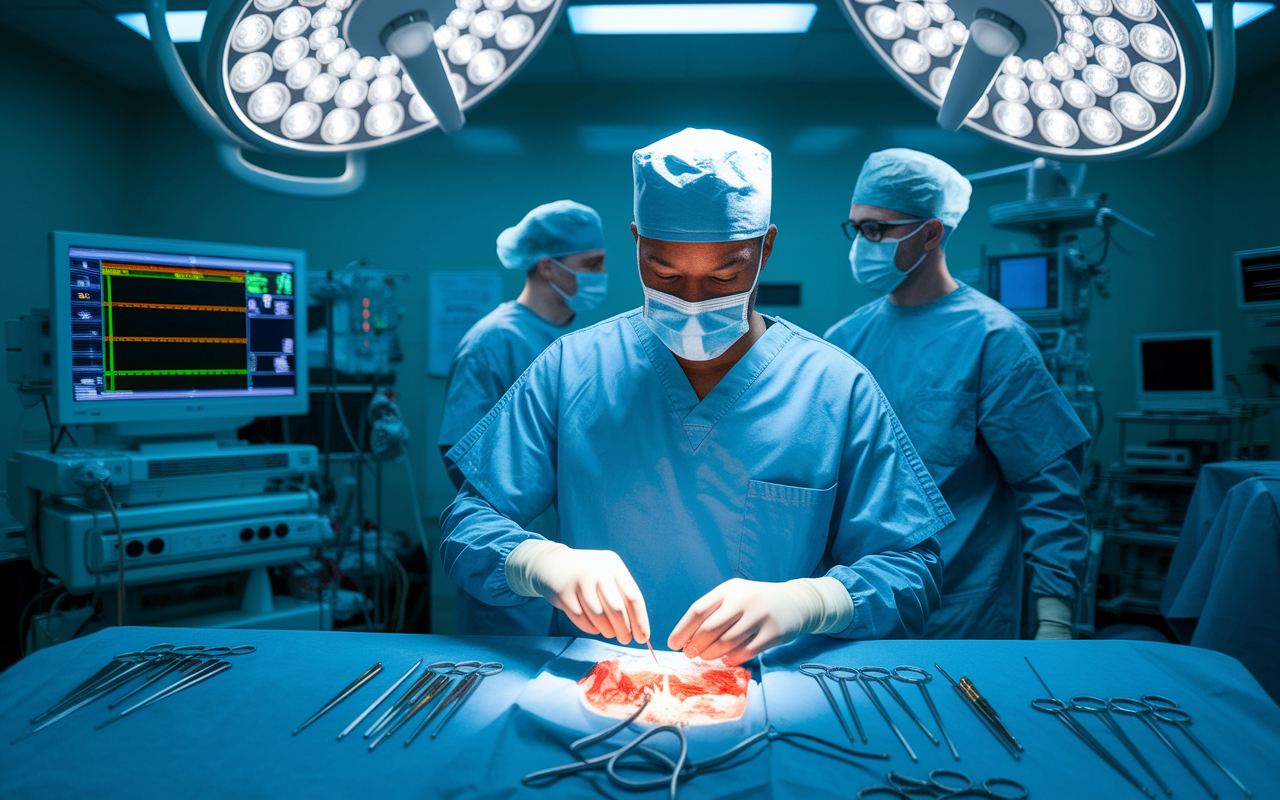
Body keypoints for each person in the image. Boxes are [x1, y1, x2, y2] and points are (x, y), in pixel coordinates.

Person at [440, 129, 952, 665]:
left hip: (770, 693)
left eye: (724, 276)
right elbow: (467, 525)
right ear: (636, 242)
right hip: (595, 689)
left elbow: (910, 569)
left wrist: (814, 601)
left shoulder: (835, 388)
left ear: (765, 249)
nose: (691, 301)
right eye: (664, 273)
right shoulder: (571, 370)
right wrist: (536, 561)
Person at [824, 148, 1091, 640]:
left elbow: (1050, 489)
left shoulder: (996, 340)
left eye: (878, 229)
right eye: (857, 227)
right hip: (861, 607)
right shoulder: (843, 341)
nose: (864, 242)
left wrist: (1055, 617)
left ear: (930, 233)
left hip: (962, 612)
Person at [438, 199, 607, 635]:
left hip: (574, 559)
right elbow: (466, 464)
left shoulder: (576, 342)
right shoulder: (493, 341)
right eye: (590, 264)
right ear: (548, 267)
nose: (599, 275)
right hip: (516, 565)